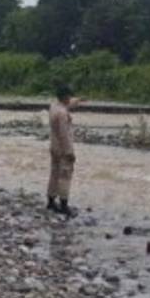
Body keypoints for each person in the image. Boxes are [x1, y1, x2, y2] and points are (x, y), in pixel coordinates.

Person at [47, 85, 82, 216]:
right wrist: (69, 152)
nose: (70, 98)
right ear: (65, 97)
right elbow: (64, 135)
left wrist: (78, 100)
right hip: (63, 149)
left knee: (54, 174)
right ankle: (64, 205)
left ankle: (51, 201)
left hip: (54, 146)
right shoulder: (62, 114)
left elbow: (68, 104)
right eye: (69, 96)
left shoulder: (53, 107)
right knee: (65, 176)